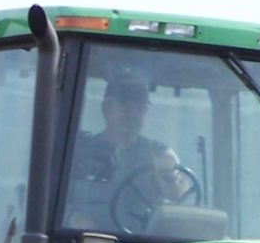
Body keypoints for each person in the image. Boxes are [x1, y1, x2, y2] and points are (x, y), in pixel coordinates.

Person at [69, 78, 192, 230]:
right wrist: (71, 217)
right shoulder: (79, 153)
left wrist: (169, 176)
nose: (132, 114)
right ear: (106, 108)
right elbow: (51, 199)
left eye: (140, 108)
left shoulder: (160, 152)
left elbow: (180, 197)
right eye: (125, 106)